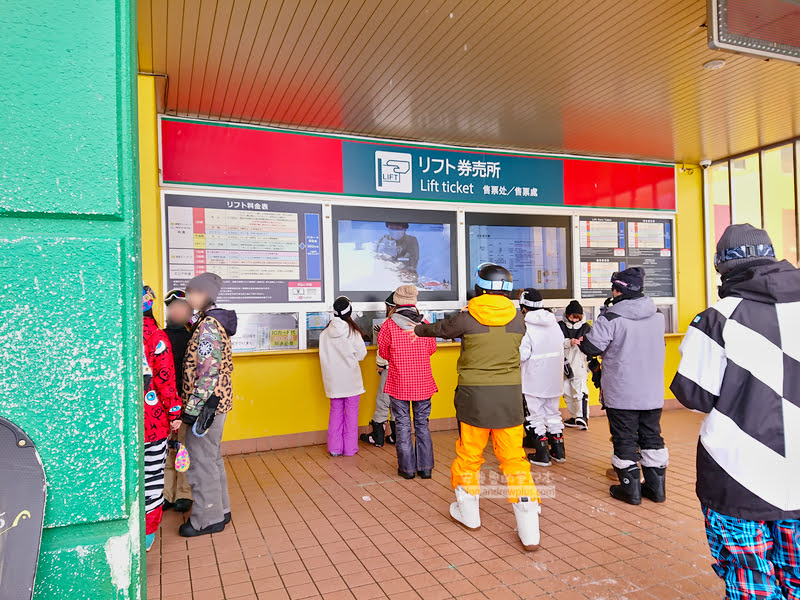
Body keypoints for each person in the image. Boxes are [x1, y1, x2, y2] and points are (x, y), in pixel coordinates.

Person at [671, 223, 800, 600]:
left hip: (738, 476)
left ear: (721, 267)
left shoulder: (718, 317)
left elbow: (694, 394)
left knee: (751, 580)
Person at [412, 263, 541, 551]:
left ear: (479, 287)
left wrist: (418, 330)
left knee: (469, 454)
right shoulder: (519, 319)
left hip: (475, 396)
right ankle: (529, 529)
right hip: (508, 396)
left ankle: (469, 515)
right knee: (514, 459)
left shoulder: (467, 318)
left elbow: (441, 329)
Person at [579, 267, 667, 505]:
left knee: (625, 439)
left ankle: (631, 492)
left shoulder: (611, 318)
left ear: (617, 290)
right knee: (652, 437)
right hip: (652, 391)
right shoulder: (658, 315)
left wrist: (582, 340)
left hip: (622, 392)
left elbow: (591, 348)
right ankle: (656, 491)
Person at [179, 272, 238, 537]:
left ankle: (206, 519)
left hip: (206, 406)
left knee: (201, 462)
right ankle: (220, 510)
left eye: (191, 291)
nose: (188, 296)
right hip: (215, 403)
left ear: (204, 295)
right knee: (211, 459)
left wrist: (191, 412)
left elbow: (208, 371)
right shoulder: (210, 322)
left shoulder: (207, 326)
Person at [378, 285, 437, 479]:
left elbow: (384, 353)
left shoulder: (388, 326)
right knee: (422, 424)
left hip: (399, 383)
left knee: (402, 425)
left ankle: (407, 469)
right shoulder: (424, 323)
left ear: (396, 302)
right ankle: (426, 468)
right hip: (423, 382)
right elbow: (432, 348)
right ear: (414, 302)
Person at [141, 285, 182, 551]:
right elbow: (166, 382)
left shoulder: (113, 332)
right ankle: (146, 535)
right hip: (152, 422)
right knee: (152, 478)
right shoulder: (156, 337)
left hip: (119, 424)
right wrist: (175, 413)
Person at [519, 289, 566, 467]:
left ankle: (542, 454)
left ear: (523, 307)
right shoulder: (554, 323)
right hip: (554, 377)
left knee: (535, 416)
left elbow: (523, 354)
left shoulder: (526, 326)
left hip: (533, 378)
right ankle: (558, 451)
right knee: (553, 414)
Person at [319, 296, 367, 457]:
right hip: (351, 381)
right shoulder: (352, 332)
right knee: (352, 415)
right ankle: (350, 449)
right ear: (349, 313)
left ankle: (334, 448)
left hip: (333, 382)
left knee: (335, 412)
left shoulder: (324, 333)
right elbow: (361, 355)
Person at [162, 289, 193, 513]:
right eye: (172, 307)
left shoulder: (193, 337)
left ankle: (184, 492)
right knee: (166, 448)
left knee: (182, 448)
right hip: (163, 402)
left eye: (180, 307)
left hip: (185, 401)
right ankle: (166, 493)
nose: (175, 311)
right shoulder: (159, 336)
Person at [360, 293, 397, 447]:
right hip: (403, 369)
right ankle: (395, 436)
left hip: (389, 367)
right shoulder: (411, 320)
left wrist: (380, 365)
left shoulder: (389, 322)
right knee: (397, 402)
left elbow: (384, 348)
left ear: (390, 306)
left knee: (383, 401)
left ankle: (378, 437)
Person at [560, 300, 592, 430]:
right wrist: (569, 342)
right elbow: (556, 342)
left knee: (580, 391)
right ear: (567, 315)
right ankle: (575, 417)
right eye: (572, 316)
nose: (574, 319)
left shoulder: (586, 328)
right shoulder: (560, 326)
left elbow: (591, 346)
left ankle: (583, 417)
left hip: (579, 364)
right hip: (564, 365)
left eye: (577, 317)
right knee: (567, 393)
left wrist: (590, 362)